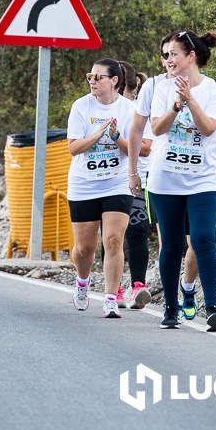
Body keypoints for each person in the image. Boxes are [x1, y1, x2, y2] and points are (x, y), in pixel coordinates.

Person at [128, 35, 216, 321]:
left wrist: (191, 100)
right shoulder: (159, 87)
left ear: (191, 55)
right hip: (165, 179)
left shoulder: (214, 90)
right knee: (172, 244)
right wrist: (177, 105)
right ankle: (171, 308)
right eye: (164, 55)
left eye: (173, 54)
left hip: (202, 179)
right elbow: (157, 129)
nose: (168, 60)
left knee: (202, 239)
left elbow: (211, 128)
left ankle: (212, 307)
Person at [67, 59, 136, 318]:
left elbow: (139, 149)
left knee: (113, 240)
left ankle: (110, 298)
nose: (92, 81)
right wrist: (98, 134)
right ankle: (82, 282)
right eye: (90, 77)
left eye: (98, 77)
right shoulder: (81, 106)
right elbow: (73, 147)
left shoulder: (129, 109)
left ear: (114, 81)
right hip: (84, 183)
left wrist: (117, 137)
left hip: (117, 181)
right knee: (84, 249)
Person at [117, 62, 153, 309]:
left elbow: (146, 147)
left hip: (139, 177)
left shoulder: (139, 109)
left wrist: (115, 138)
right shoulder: (96, 108)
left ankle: (138, 286)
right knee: (113, 235)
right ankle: (115, 286)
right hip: (109, 180)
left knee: (139, 229)